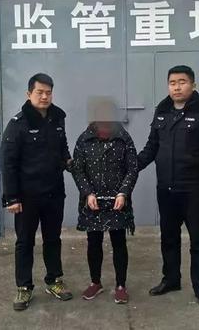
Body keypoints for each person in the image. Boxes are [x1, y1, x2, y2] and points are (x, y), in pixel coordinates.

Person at [137, 65, 199, 310]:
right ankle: (171, 279)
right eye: (172, 83)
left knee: (198, 240)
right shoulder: (162, 110)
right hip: (166, 189)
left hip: (194, 191)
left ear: (193, 85)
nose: (177, 87)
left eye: (182, 82)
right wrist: (131, 167)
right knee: (169, 238)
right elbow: (152, 147)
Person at [1, 73, 73, 311]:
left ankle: (54, 280)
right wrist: (11, 198)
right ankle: (24, 287)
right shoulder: (18, 124)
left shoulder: (58, 117)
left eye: (48, 92)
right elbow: (8, 163)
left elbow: (63, 148)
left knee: (53, 239)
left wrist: (71, 163)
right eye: (39, 92)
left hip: (54, 193)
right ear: (29, 94)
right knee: (25, 242)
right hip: (27, 196)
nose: (44, 97)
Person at [70, 97, 138, 304]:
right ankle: (95, 282)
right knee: (94, 243)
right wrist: (87, 193)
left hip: (118, 202)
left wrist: (123, 193)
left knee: (119, 243)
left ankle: (121, 286)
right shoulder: (84, 139)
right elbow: (78, 169)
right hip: (93, 202)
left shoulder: (124, 138)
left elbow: (132, 168)